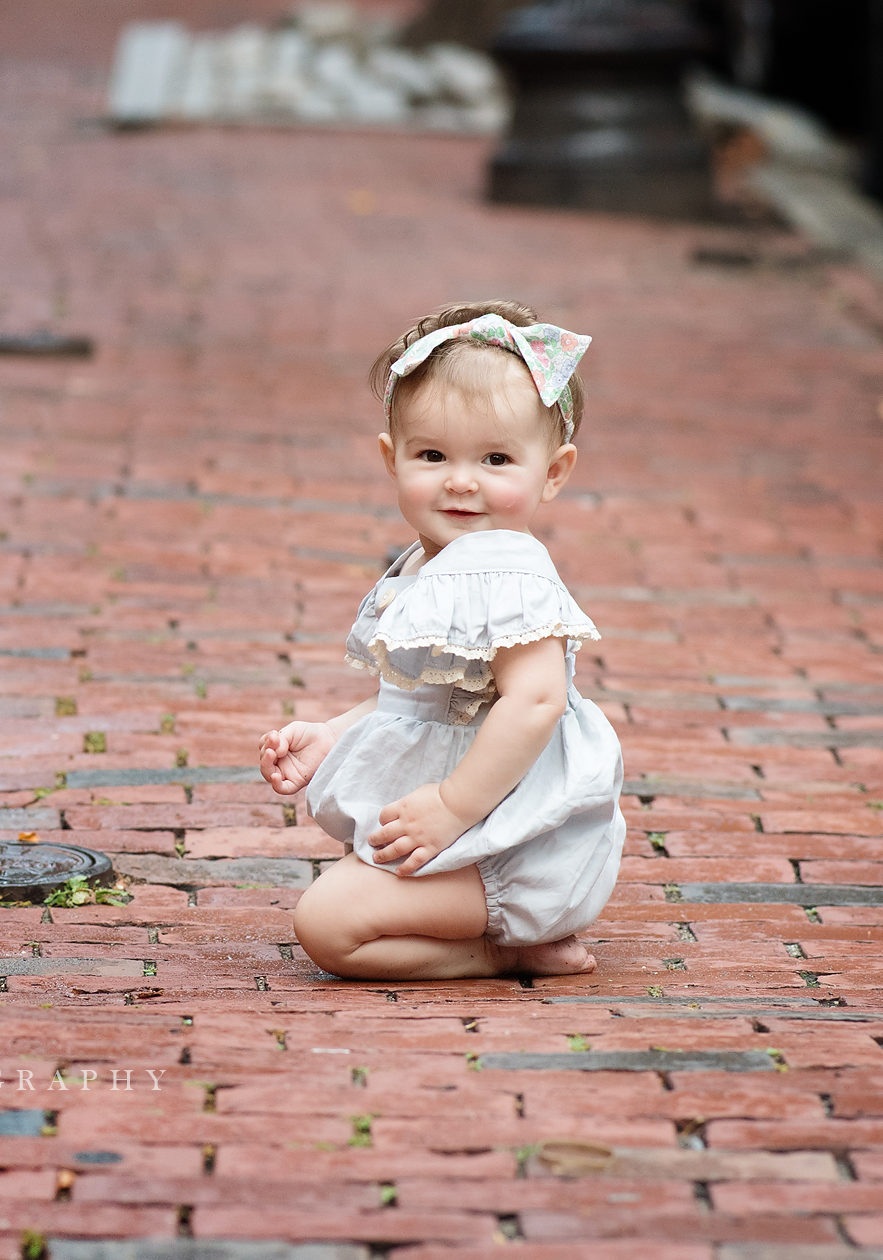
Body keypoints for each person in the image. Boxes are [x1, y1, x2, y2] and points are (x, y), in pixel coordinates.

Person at [258, 300, 625, 980]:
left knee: (326, 925)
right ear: (391, 458)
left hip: (510, 845)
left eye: (495, 458)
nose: (461, 479)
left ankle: (503, 943)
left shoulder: (504, 566)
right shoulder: (439, 562)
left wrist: (452, 806)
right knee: (339, 906)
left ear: (554, 471)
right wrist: (333, 732)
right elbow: (434, 698)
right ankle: (502, 933)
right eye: (433, 454)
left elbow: (536, 701)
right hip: (477, 827)